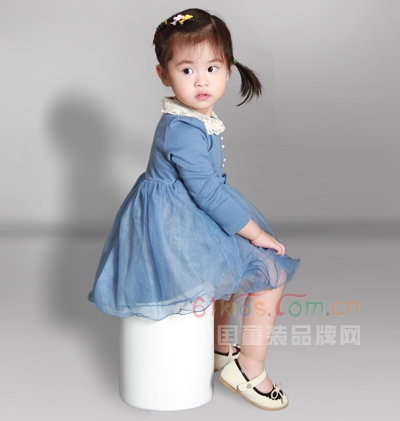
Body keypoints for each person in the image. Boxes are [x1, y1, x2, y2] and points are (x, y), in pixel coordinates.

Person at [88, 8, 300, 410]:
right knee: (269, 271)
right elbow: (207, 194)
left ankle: (218, 348)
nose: (201, 81)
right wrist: (254, 232)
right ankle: (249, 367)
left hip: (185, 212)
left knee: (228, 271)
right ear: (164, 75)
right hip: (175, 223)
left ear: (228, 68)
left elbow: (207, 189)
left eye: (212, 68)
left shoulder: (194, 118)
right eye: (186, 70)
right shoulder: (182, 129)